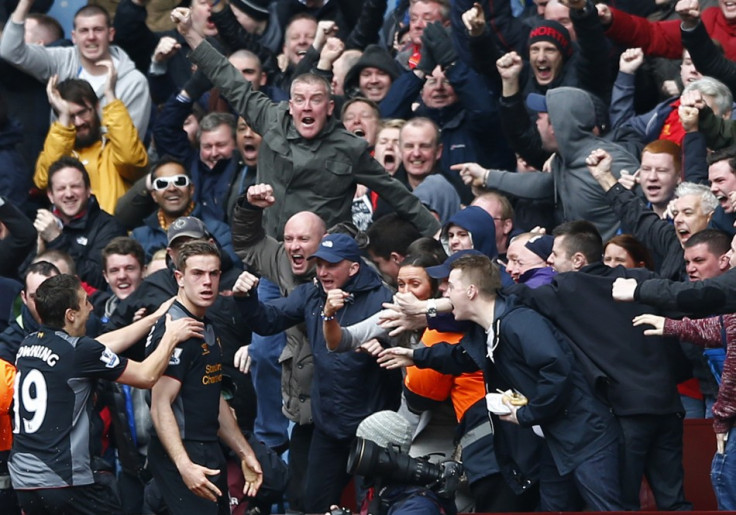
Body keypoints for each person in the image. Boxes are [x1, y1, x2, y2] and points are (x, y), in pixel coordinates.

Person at [377, 253, 623, 511]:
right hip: (555, 438)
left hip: (585, 435)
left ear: (471, 291)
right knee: (553, 507)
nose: (445, 296)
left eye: (451, 287)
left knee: (605, 508)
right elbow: (462, 356)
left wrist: (528, 413)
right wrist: (415, 356)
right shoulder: (488, 327)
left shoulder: (519, 321)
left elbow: (556, 369)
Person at [171, 7, 440, 240]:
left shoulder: (350, 147)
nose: (307, 106)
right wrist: (190, 33)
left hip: (326, 264)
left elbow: (396, 193)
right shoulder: (270, 117)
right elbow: (226, 76)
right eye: (299, 99)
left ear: (330, 106)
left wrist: (436, 233)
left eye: (316, 100)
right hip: (272, 256)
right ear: (290, 103)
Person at [509, 220, 691, 510]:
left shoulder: (565, 289)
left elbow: (504, 298)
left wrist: (435, 308)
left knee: (623, 503)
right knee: (675, 502)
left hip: (625, 413)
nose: (550, 261)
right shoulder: (640, 278)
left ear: (578, 260)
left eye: (554, 254)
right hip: (667, 405)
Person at [230, 233, 400, 512]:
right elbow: (267, 321)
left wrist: (383, 346)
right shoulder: (312, 293)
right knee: (313, 506)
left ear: (354, 268)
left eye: (331, 265)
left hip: (371, 430)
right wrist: (247, 298)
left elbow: (405, 350)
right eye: (319, 264)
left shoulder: (383, 298)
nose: (322, 272)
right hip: (328, 427)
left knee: (373, 508)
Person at [9, 273, 204, 514]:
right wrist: (171, 338)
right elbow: (146, 376)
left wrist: (153, 318)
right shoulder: (79, 351)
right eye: (85, 302)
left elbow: (99, 346)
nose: (91, 308)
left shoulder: (28, 345)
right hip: (65, 481)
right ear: (70, 314)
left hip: (25, 483)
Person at [148, 240, 262, 514]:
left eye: (213, 273)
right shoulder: (175, 330)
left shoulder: (204, 323)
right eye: (197, 274)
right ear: (180, 278)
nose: (207, 282)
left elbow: (213, 397)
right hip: (183, 451)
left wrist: (245, 452)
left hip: (207, 446)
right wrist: (183, 464)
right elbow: (159, 404)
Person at [230, 185, 326, 511]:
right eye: (288, 239)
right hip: (302, 412)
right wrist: (249, 207)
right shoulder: (284, 262)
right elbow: (247, 243)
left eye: (303, 240)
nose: (293, 247)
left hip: (340, 413)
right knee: (300, 499)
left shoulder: (346, 273)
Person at [0, 1, 151, 135]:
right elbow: (10, 51)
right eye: (84, 31)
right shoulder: (61, 60)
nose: (91, 37)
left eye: (98, 30)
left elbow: (129, 148)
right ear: (74, 37)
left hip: (109, 165)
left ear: (111, 34)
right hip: (60, 163)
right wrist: (25, 3)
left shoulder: (134, 82)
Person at [34, 68, 148, 215]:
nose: (79, 122)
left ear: (96, 107)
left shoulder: (113, 147)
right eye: (70, 116)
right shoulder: (59, 151)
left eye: (83, 112)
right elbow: (44, 181)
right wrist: (63, 118)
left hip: (117, 235)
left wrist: (110, 96)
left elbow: (133, 161)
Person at [30, 156, 127, 290]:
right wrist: (38, 251)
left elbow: (100, 280)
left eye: (75, 186)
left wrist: (57, 240)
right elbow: (21, 278)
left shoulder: (109, 227)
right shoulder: (41, 225)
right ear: (50, 195)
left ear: (88, 190)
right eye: (61, 188)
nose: (69, 194)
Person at [130, 157, 239, 264]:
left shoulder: (218, 231)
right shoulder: (139, 237)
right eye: (162, 183)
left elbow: (232, 271)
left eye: (180, 181)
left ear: (191, 189)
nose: (172, 188)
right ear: (154, 195)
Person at [92, 237, 146, 324]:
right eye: (114, 270)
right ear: (106, 276)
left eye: (129, 268)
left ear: (143, 271)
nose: (122, 276)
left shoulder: (158, 308)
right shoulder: (98, 311)